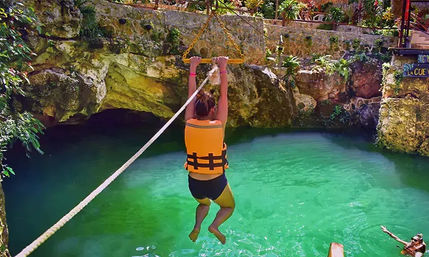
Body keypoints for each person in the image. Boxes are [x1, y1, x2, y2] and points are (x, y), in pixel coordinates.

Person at [184, 56, 235, 244]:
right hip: (215, 182)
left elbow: (191, 93)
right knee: (228, 207)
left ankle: (197, 226)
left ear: (196, 110)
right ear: (212, 109)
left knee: (203, 203)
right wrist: (223, 67)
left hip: (194, 183)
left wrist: (193, 67)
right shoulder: (218, 125)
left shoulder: (189, 122)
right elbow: (224, 94)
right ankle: (214, 226)